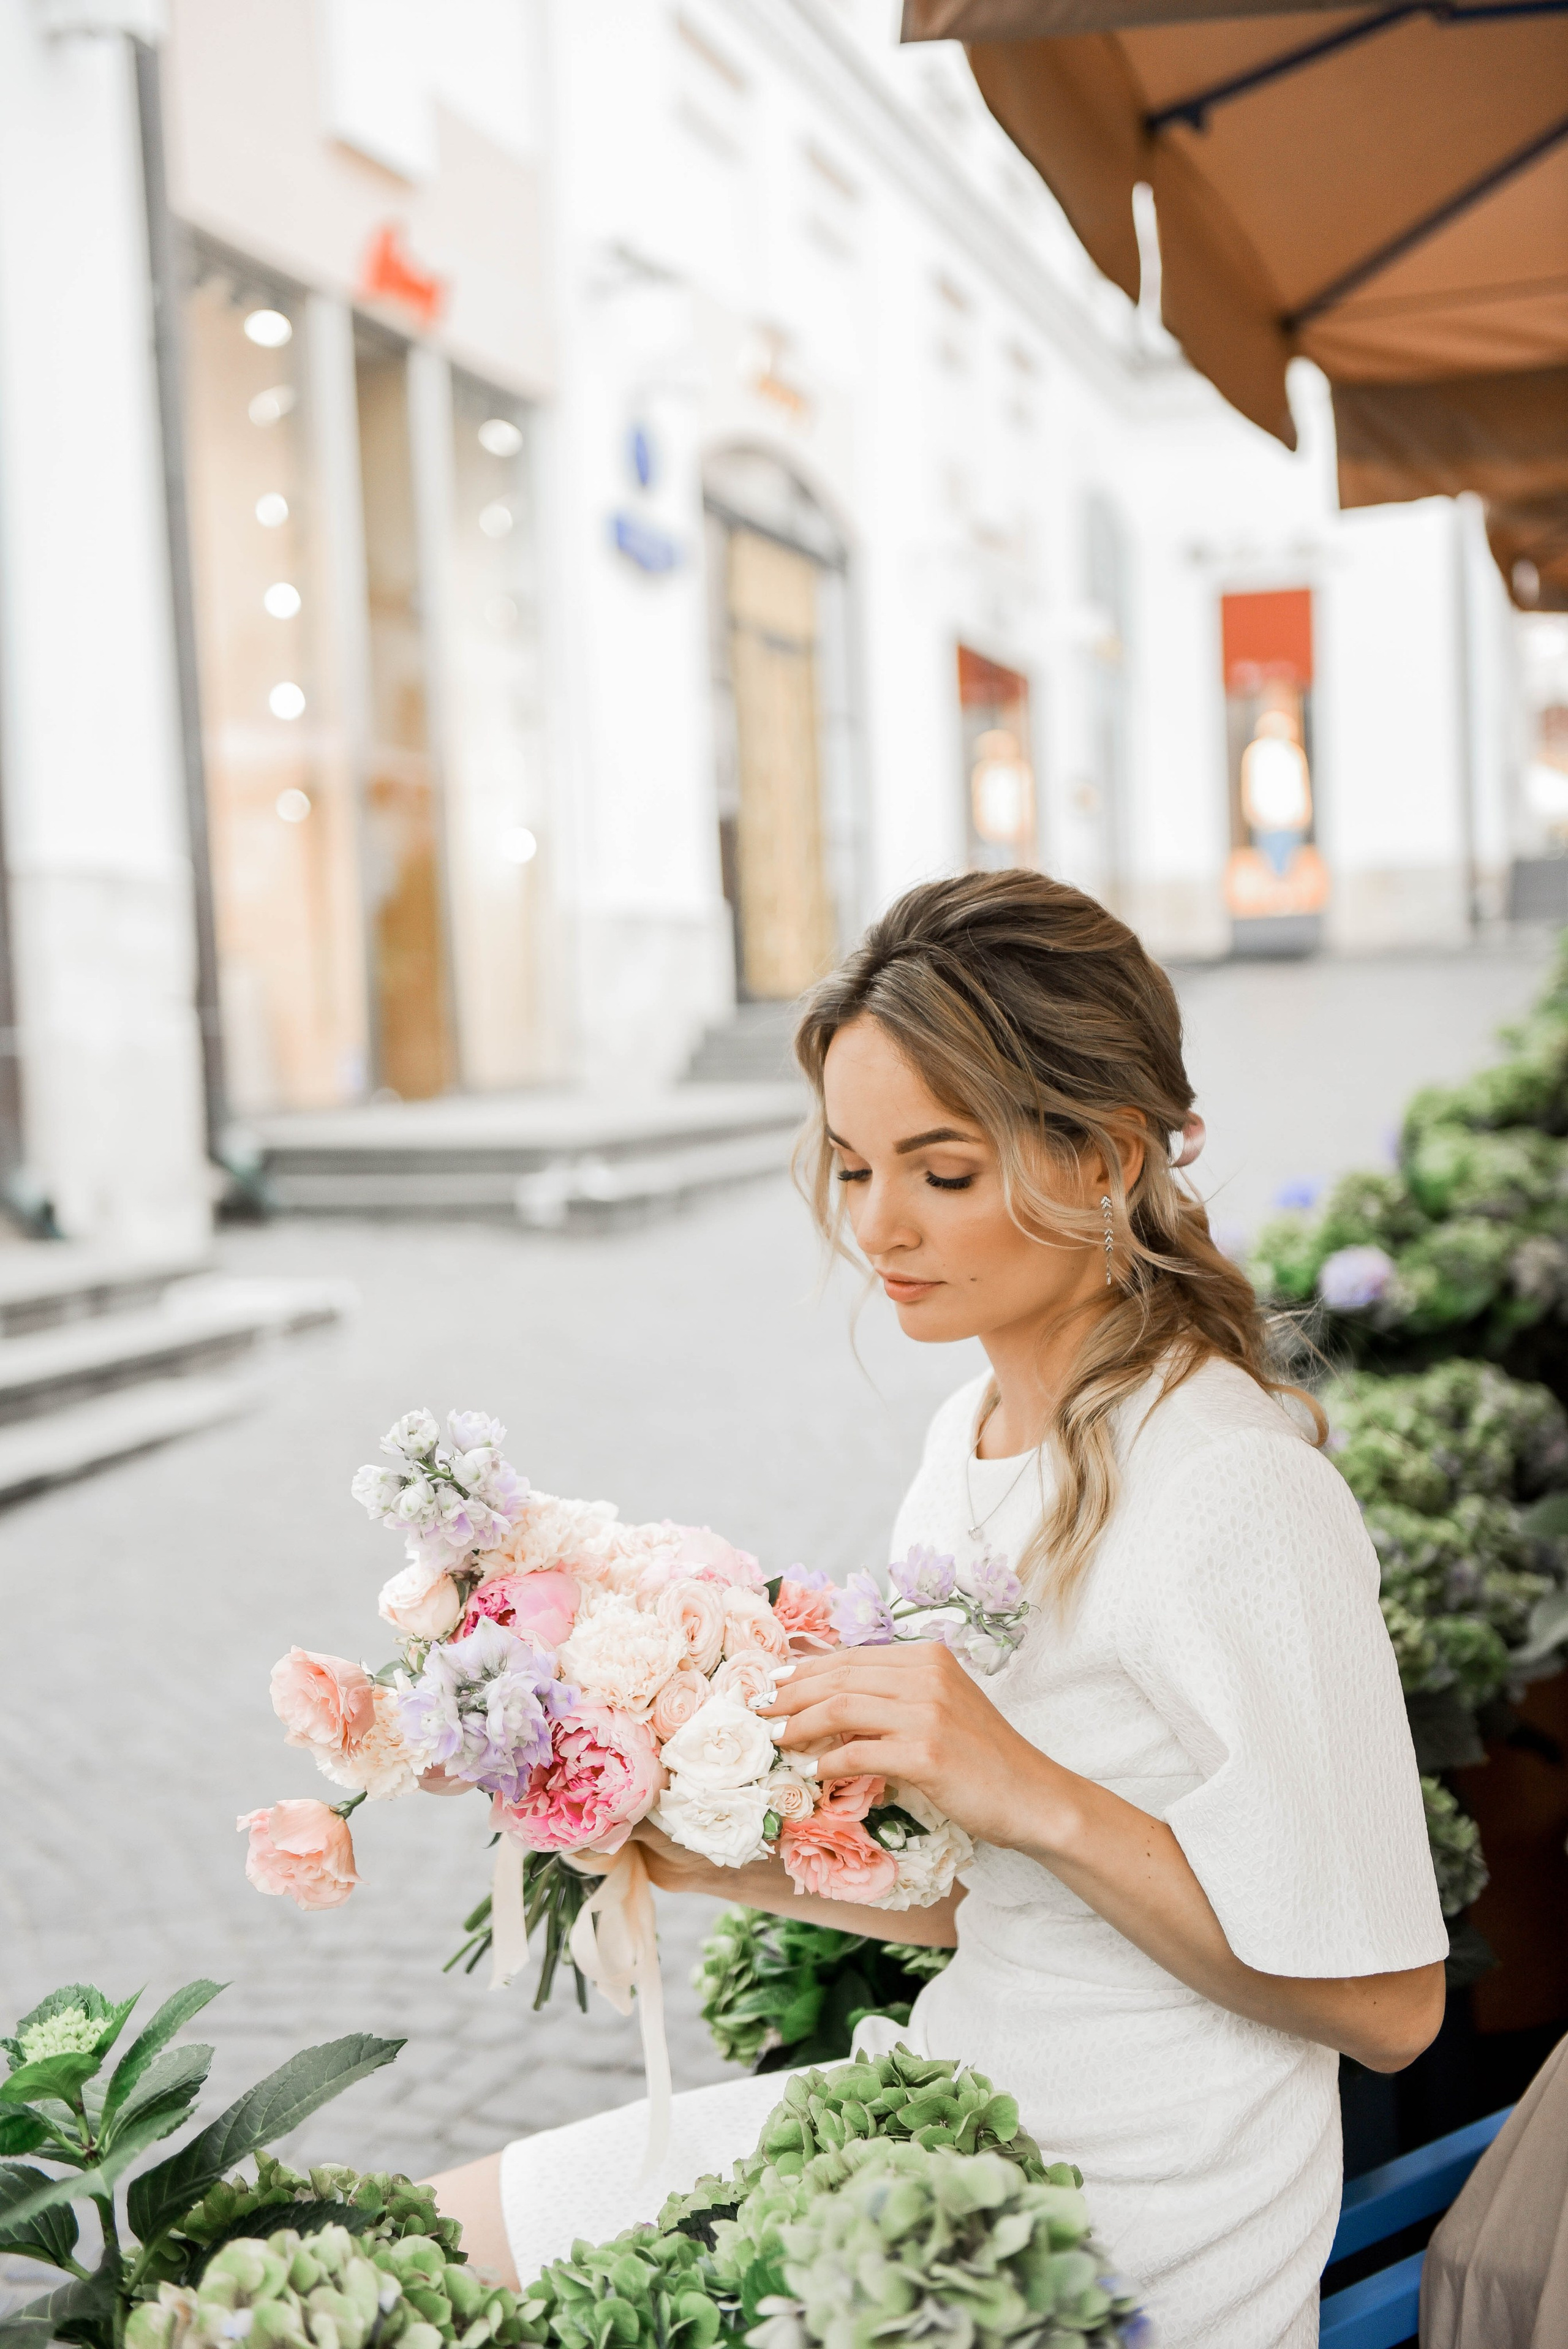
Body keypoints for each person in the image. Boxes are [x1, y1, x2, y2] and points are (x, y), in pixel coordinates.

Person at [428, 871, 1447, 2349]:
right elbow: (1007, 1901)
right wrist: (693, 1847)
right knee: (404, 2251)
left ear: (1102, 1156)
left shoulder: (1232, 1491)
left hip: (1118, 2226)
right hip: (955, 2120)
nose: (878, 1226)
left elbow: (1392, 2005)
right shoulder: (966, 1439)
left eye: (940, 1171)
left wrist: (1021, 1785)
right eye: (851, 1167)